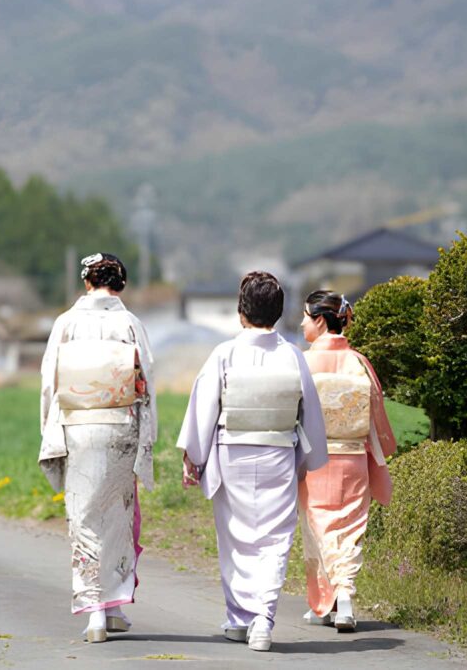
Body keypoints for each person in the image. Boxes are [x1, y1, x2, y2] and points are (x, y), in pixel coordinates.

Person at [176, 271, 328, 652]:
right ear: (278, 313)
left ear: (241, 312)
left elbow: (203, 410)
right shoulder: (293, 355)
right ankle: (263, 618)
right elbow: (310, 414)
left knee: (234, 539)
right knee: (275, 540)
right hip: (277, 452)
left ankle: (239, 618)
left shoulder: (224, 353)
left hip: (232, 453)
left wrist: (193, 457)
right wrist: (307, 461)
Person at [38, 253, 157, 643]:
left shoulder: (66, 323)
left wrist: (50, 431)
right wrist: (147, 436)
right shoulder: (129, 323)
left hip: (78, 426)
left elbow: (49, 381)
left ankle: (95, 615)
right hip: (120, 424)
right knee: (119, 516)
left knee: (84, 518)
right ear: (119, 284)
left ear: (87, 282)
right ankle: (114, 606)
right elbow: (147, 382)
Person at [298, 289, 396, 631]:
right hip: (353, 457)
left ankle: (331, 602)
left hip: (316, 458)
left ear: (321, 321)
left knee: (320, 529)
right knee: (349, 530)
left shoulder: (304, 362)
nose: (301, 324)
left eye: (306, 317)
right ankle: (343, 599)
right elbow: (376, 417)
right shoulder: (359, 362)